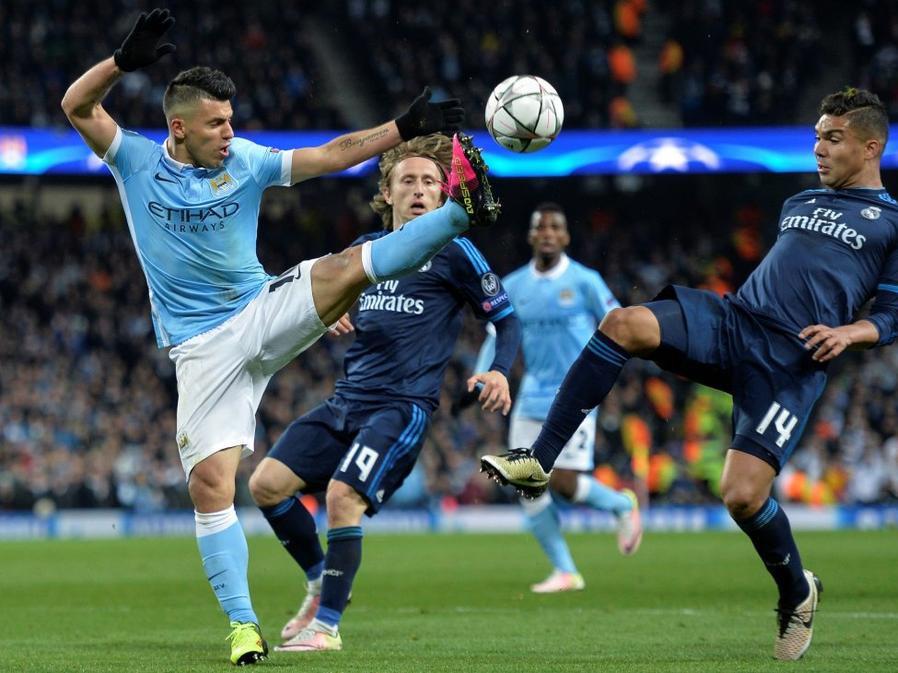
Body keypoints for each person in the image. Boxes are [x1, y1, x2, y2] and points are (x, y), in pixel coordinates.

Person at [61, 9, 498, 666]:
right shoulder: (136, 161)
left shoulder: (248, 161)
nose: (230, 133)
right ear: (179, 127)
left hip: (262, 308)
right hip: (200, 350)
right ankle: (244, 625)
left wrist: (402, 128)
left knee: (346, 267)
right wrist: (121, 64)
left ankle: (458, 217)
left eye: (231, 120)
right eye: (217, 124)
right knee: (214, 486)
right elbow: (76, 105)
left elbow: (329, 156)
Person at [482, 87, 898, 660]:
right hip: (736, 321)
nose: (819, 148)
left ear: (871, 147)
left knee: (741, 497)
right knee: (622, 323)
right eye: (817, 136)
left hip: (791, 361)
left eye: (833, 139)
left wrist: (848, 333)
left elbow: (892, 315)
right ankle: (540, 460)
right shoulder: (799, 201)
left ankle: (797, 591)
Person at [247, 132, 521, 652]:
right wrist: (325, 314)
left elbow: (506, 320)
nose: (418, 190)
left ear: (442, 195)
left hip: (401, 407)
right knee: (266, 484)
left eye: (429, 182)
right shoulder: (364, 250)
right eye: (407, 181)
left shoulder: (455, 251)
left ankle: (326, 628)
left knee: (341, 496)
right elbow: (316, 296)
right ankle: (320, 582)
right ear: (387, 192)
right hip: (346, 401)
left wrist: (500, 370)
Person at [475, 203, 641, 594]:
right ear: (531, 236)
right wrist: (483, 378)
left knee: (564, 483)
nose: (547, 233)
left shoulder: (585, 281)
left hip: (576, 394)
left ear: (565, 236)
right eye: (540, 227)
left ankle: (621, 505)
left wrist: (614, 377)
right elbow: (496, 336)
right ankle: (565, 571)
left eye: (554, 227)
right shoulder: (514, 285)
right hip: (531, 396)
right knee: (527, 483)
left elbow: (619, 325)